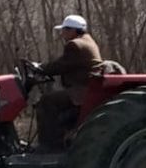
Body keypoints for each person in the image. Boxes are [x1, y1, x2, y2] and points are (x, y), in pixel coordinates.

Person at [34, 15, 102, 151]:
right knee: (54, 99)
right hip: (88, 87)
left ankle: (50, 146)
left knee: (46, 101)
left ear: (73, 31)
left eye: (64, 30)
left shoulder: (74, 45)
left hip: (81, 91)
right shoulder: (88, 41)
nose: (62, 34)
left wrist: (40, 68)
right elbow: (64, 64)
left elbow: (60, 66)